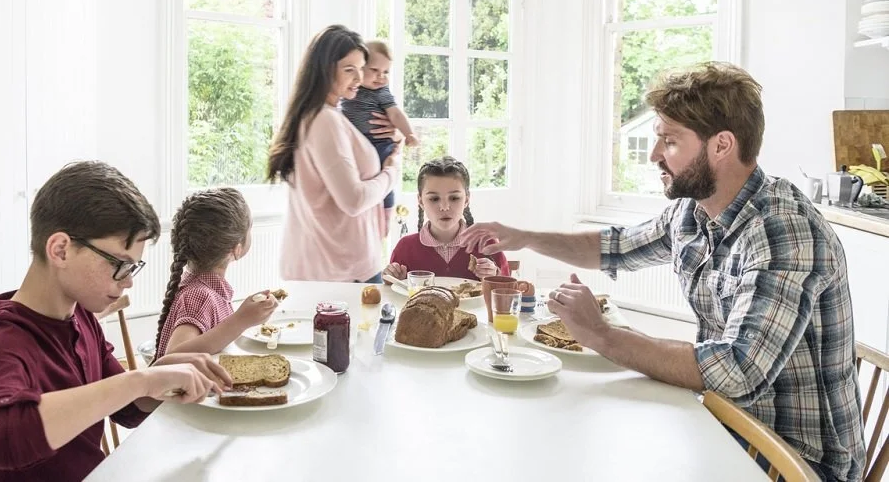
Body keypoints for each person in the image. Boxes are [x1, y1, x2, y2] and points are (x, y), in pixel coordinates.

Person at [462, 62, 865, 481]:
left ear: (722, 145)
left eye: (669, 142)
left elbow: (737, 372)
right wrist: (523, 236)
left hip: (796, 461)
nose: (655, 155)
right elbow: (613, 248)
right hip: (725, 422)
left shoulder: (784, 231)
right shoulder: (693, 212)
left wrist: (600, 333)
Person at [0, 161, 232, 482]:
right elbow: (2, 439)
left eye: (133, 267)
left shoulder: (81, 319)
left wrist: (161, 375)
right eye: (120, 264)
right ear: (61, 249)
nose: (128, 281)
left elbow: (127, 409)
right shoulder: (0, 341)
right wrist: (141, 381)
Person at [267, 24, 401, 283]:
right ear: (325, 70)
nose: (359, 79)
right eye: (349, 70)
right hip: (339, 270)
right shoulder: (325, 120)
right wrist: (392, 171)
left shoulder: (320, 116)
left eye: (361, 69)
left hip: (334, 265)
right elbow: (353, 199)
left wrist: (391, 134)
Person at [153, 187, 278, 360]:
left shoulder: (206, 291)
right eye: (250, 228)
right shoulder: (199, 296)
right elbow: (174, 357)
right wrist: (240, 320)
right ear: (236, 249)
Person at [385, 156, 509, 281]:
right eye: (434, 199)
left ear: (466, 199)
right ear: (421, 201)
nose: (444, 207)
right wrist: (392, 278)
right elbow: (394, 294)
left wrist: (495, 275)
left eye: (454, 198)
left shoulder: (487, 243)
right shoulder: (405, 248)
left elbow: (508, 290)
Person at [341, 39, 419, 235]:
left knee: (384, 183)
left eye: (385, 72)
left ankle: (385, 219)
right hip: (358, 145)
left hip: (379, 143)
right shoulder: (350, 89)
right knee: (362, 182)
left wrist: (408, 134)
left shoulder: (382, 93)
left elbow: (395, 114)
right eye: (375, 70)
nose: (381, 77)